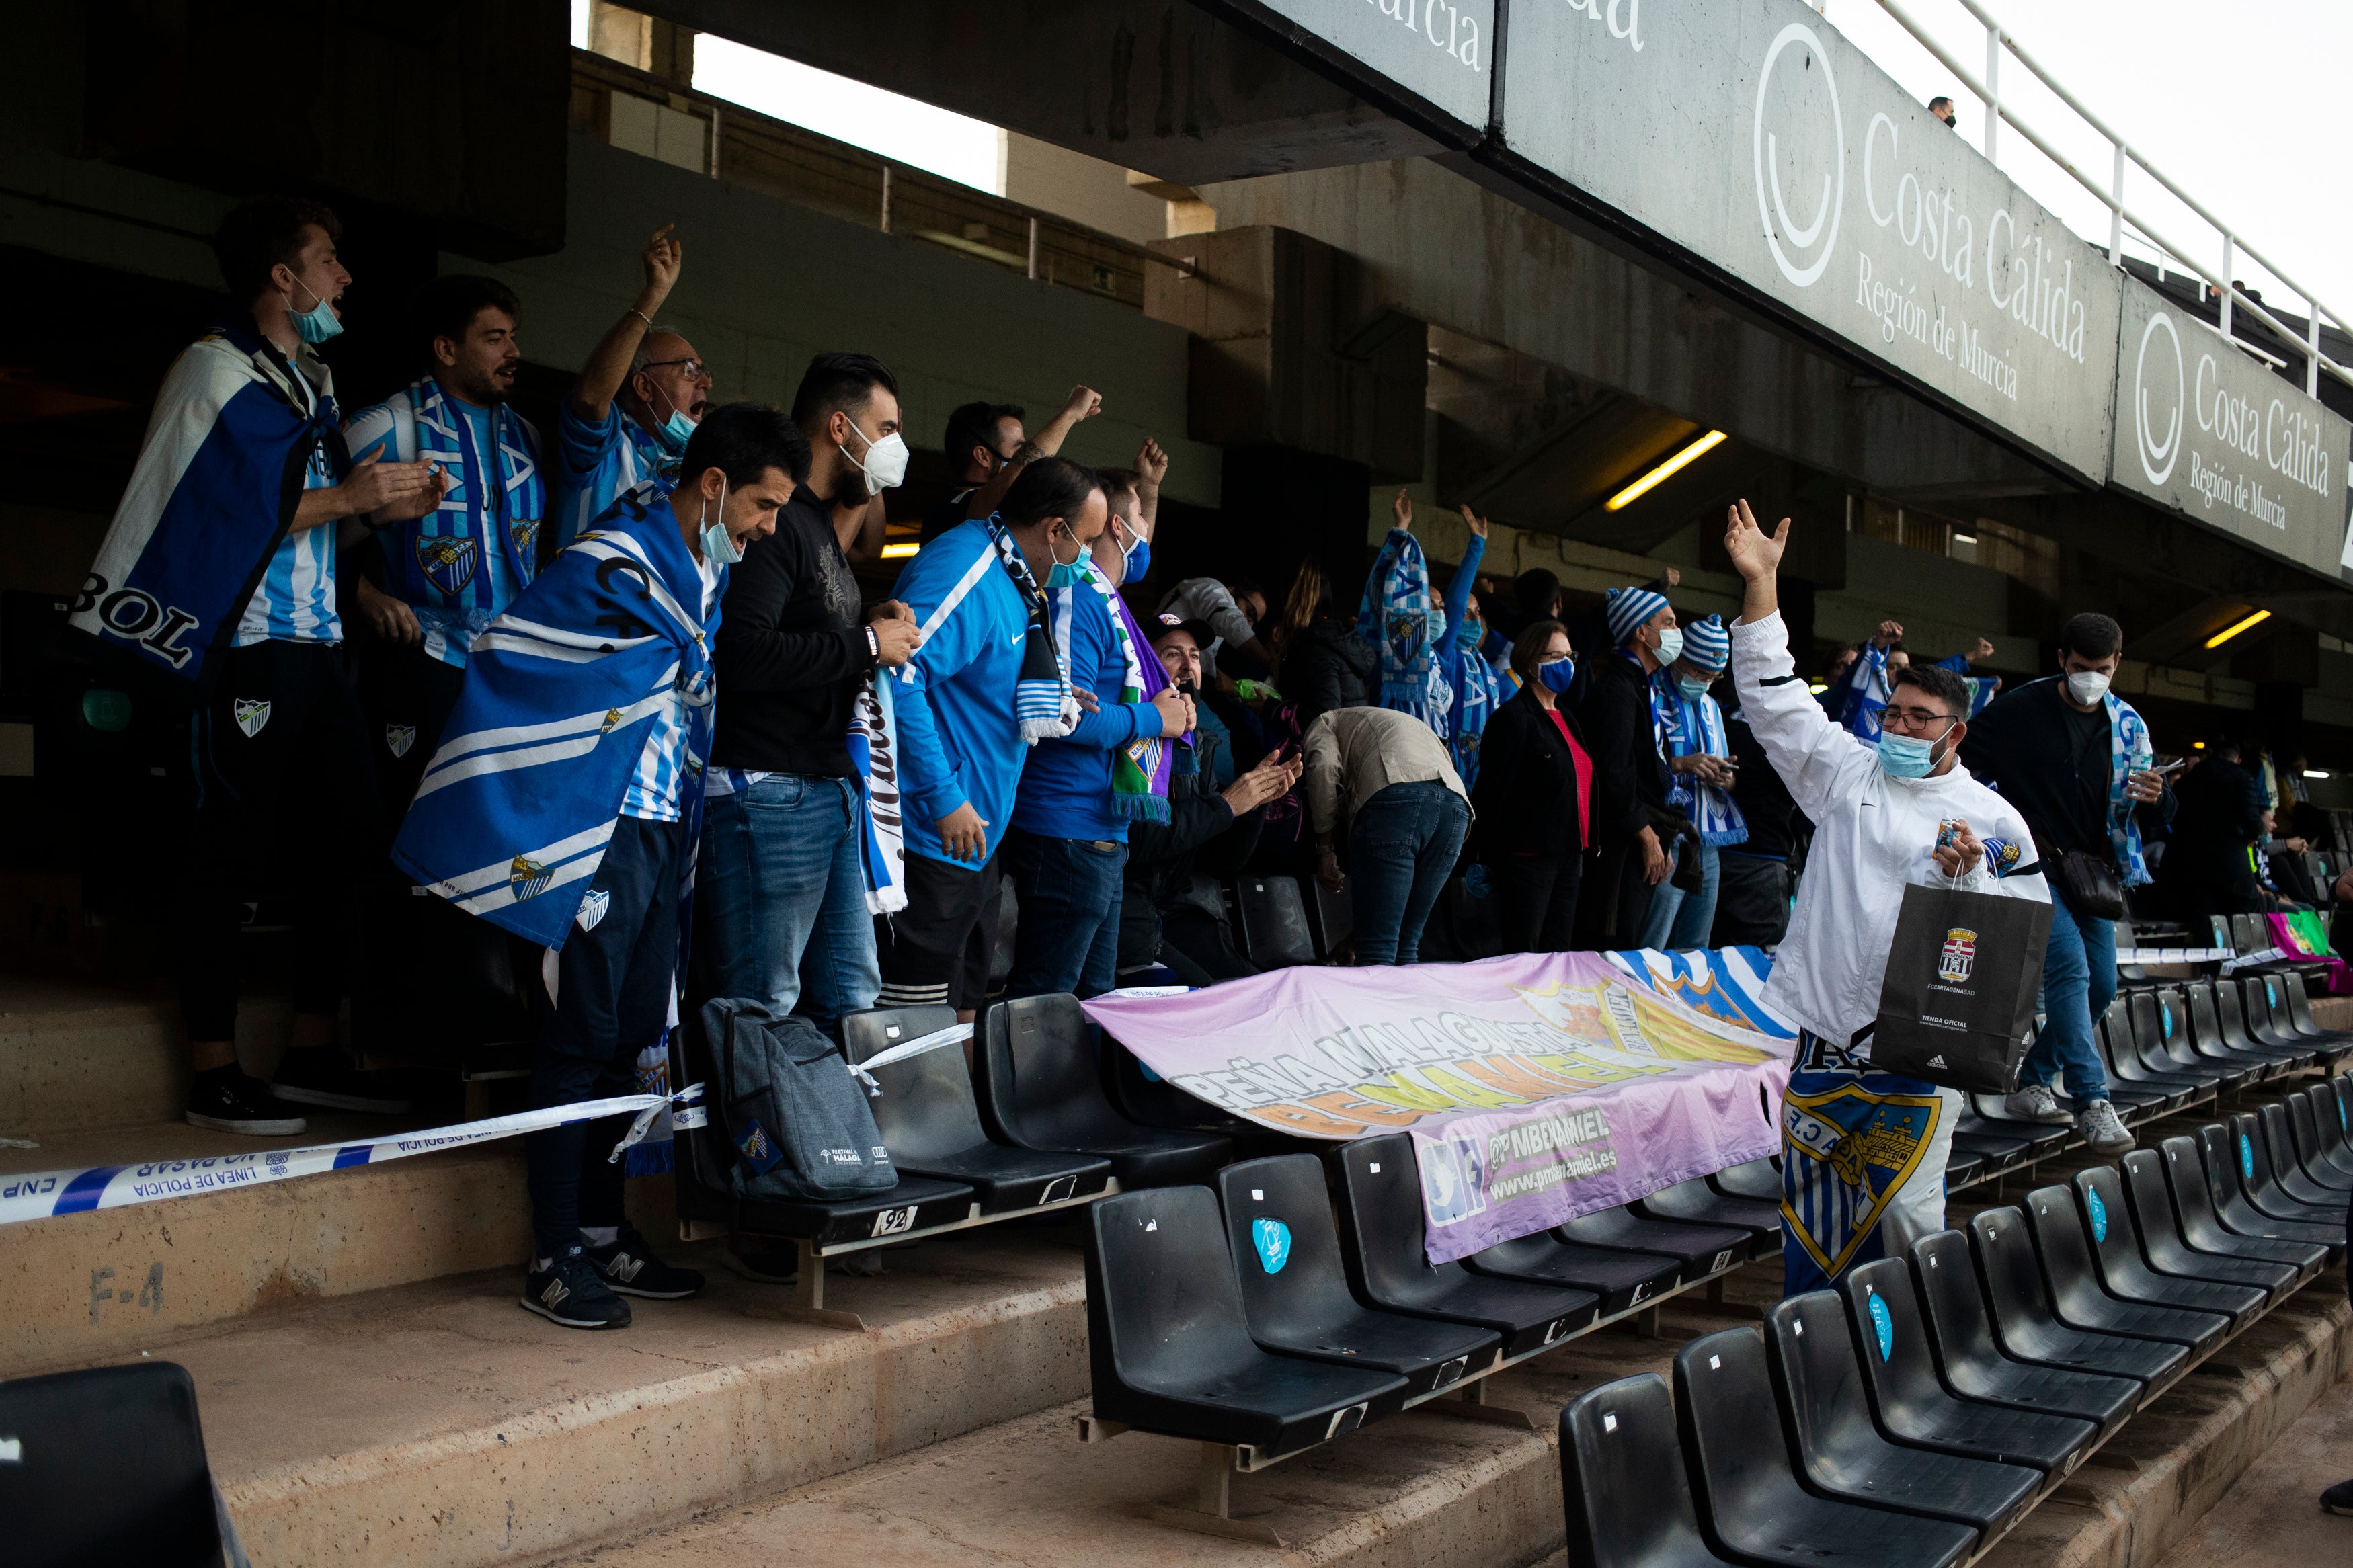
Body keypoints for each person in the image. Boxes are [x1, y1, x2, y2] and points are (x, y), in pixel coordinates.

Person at [393, 402, 805, 1329]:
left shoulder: (703, 570)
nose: (769, 527)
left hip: (667, 830)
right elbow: (517, 649)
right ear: (712, 487)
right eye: (764, 506)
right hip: (597, 830)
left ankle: (605, 1231)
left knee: (632, 1042)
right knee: (577, 1034)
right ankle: (553, 1252)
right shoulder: (616, 559)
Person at [73, 197, 443, 1134]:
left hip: (317, 644)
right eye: (329, 260)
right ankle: (213, 1072)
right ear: (284, 276)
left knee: (354, 847)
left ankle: (311, 1051)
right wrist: (349, 494)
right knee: (226, 855)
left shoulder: (308, 377)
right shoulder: (215, 368)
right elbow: (219, 511)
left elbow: (303, 513)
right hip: (242, 649)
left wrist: (372, 512)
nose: (344, 278)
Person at [1722, 499, 2049, 1295]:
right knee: (1812, 1214)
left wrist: (1965, 872)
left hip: (1918, 1050)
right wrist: (1760, 583)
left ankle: (1902, 1362)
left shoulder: (1995, 819)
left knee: (1904, 1221)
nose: (1899, 726)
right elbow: (1772, 698)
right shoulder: (1845, 771)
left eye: (1920, 717)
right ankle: (1814, 1364)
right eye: (1892, 711)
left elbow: (2017, 924)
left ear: (1954, 732)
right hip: (1827, 1038)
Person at [697, 354, 922, 1036]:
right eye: (886, 427)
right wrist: (863, 646)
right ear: (838, 427)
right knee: (761, 1005)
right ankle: (756, 1143)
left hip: (823, 789)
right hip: (767, 787)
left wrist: (867, 627)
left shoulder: (816, 523)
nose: (896, 446)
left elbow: (811, 632)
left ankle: (834, 1142)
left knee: (850, 998)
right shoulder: (772, 523)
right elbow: (741, 653)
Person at [882, 457, 1109, 1017]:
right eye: (1087, 541)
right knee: (915, 1022)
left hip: (978, 839)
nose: (1089, 559)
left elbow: (979, 671)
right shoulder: (969, 566)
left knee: (963, 1007)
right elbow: (900, 674)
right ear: (1055, 530)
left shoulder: (1017, 579)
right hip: (933, 833)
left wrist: (1054, 694)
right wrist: (943, 796)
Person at [1961, 613, 2171, 1157]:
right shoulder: (2018, 711)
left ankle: (2033, 1080)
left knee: (2102, 984)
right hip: (2028, 863)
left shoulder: (2128, 727)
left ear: (2118, 663)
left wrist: (2159, 794)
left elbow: (2160, 807)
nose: (2091, 678)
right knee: (2069, 968)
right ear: (2061, 659)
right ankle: (2091, 1100)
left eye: (2102, 669)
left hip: (2092, 873)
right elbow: (1960, 768)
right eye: (2082, 668)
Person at [344, 275, 545, 823]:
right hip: (420, 665)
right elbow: (309, 531)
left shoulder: (527, 436)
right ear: (446, 349)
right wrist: (364, 596)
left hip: (505, 674)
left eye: (512, 336)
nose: (514, 352)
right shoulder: (388, 425)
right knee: (403, 827)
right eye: (495, 338)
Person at [1000, 456, 1194, 999]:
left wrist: (1169, 709)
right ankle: (1032, 1089)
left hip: (1101, 830)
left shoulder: (1109, 601)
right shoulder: (1077, 598)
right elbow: (1065, 715)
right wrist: (1157, 718)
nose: (1144, 542)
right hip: (1066, 828)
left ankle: (1066, 1088)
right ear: (1116, 526)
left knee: (1093, 1002)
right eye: (1139, 521)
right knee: (1048, 1002)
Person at [1117, 615, 1300, 984]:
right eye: (1173, 654)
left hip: (1172, 908)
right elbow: (1140, 843)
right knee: (1206, 998)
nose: (1188, 667)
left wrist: (1253, 806)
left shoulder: (1201, 743)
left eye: (1196, 656)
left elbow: (1219, 863)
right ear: (1144, 664)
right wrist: (1228, 804)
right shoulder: (1128, 730)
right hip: (1123, 911)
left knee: (1253, 989)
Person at [551, 224, 705, 547]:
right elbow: (593, 400)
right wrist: (654, 295)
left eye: (704, 373)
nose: (704, 383)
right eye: (689, 371)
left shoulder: (695, 468)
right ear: (644, 388)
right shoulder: (604, 451)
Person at [1306, 706, 1472, 966]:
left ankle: (1372, 1007)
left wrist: (1325, 850)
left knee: (1377, 951)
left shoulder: (1325, 721)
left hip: (1396, 795)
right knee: (1407, 942)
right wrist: (1357, 937)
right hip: (1456, 808)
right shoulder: (1410, 724)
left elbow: (1323, 767)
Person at [1471, 620, 1593, 954]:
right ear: (1529, 662)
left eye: (1570, 655)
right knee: (1523, 953)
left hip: (1569, 856)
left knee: (1557, 954)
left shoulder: (1568, 717)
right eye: (1556, 656)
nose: (1566, 664)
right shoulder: (1513, 718)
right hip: (1527, 859)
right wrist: (1487, 857)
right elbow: (1492, 793)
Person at [1571, 584, 1676, 949]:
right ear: (1641, 632)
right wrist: (1646, 835)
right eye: (1668, 623)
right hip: (1620, 849)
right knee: (1614, 949)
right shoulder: (1617, 690)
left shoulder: (1638, 687)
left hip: (1634, 839)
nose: (1675, 632)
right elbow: (1614, 773)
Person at [1639, 614, 1746, 951]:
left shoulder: (1713, 706)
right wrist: (1683, 763)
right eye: (1700, 673)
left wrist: (1724, 778)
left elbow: (1726, 775)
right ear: (1680, 659)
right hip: (1667, 835)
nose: (1706, 682)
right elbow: (1632, 763)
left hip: (1708, 841)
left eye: (1714, 676)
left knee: (1696, 945)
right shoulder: (1650, 693)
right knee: (1654, 938)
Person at [920, 386, 1104, 544]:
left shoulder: (1001, 511)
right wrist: (1070, 415)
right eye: (1019, 451)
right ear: (982, 456)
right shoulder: (949, 512)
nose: (1021, 459)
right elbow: (1020, 478)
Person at [1710, 690, 1800, 949]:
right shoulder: (1792, 731)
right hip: (1759, 864)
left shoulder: (1718, 714)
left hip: (1714, 854)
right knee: (1757, 968)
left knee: (1702, 961)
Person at [2159, 739, 2268, 921]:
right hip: (2231, 865)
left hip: (2190, 864)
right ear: (2238, 760)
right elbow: (2253, 824)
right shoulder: (2242, 778)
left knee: (2205, 927)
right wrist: (2250, 836)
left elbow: (2173, 819)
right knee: (2238, 926)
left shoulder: (2187, 780)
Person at [1159, 575, 1273, 680]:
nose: (1249, 623)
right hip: (1160, 665)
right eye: (1250, 612)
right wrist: (1271, 664)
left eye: (1254, 622)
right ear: (1231, 591)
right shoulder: (1211, 587)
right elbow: (1231, 621)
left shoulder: (1215, 627)